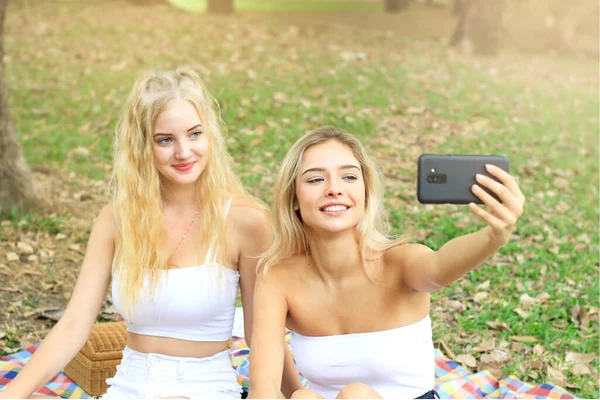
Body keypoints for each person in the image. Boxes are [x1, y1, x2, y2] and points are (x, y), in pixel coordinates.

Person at [1, 68, 302, 399]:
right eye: (165, 140)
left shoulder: (246, 221)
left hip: (205, 387)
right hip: (129, 386)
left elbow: (262, 333)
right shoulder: (116, 220)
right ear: (142, 145)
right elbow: (74, 326)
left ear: (210, 135)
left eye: (195, 134)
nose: (184, 152)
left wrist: (298, 394)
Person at [248, 126, 526, 399]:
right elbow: (264, 389)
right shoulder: (277, 278)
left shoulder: (401, 263)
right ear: (294, 199)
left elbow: (439, 268)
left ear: (366, 193)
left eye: (348, 177)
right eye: (315, 179)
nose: (334, 189)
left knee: (356, 395)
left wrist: (493, 236)